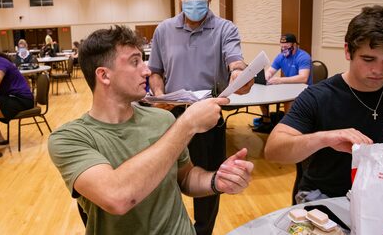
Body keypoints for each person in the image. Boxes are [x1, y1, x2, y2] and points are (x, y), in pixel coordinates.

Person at [47, 26, 254, 235]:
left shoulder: (162, 119)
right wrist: (187, 124)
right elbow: (118, 197)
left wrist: (216, 180)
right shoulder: (70, 139)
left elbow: (185, 177)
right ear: (104, 75)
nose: (146, 71)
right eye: (135, 62)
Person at [148, 0, 254, 235]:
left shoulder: (225, 29)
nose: (194, 1)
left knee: (208, 180)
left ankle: (203, 231)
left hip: (208, 116)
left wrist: (239, 74)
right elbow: (156, 72)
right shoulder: (164, 30)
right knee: (165, 177)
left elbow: (235, 60)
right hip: (170, 116)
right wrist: (159, 96)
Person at [264, 5, 383, 203]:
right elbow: (273, 150)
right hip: (325, 199)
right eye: (368, 59)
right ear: (347, 51)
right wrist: (325, 138)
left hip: (382, 196)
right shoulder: (319, 96)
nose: (379, 70)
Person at [253, 33, 312, 133]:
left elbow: (303, 78)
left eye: (286, 47)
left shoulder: (303, 57)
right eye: (282, 47)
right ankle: (266, 121)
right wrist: (266, 77)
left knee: (288, 99)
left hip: (303, 89)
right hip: (288, 86)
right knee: (262, 92)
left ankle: (287, 127)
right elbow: (271, 71)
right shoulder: (281, 57)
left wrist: (280, 80)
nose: (284, 49)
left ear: (294, 45)